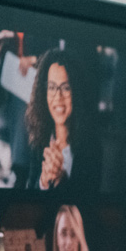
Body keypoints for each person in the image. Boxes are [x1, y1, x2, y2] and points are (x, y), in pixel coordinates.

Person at [23, 48, 86, 191]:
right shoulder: (37, 142)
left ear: (75, 91)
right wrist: (43, 181)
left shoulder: (91, 146)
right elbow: (29, 193)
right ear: (43, 92)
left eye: (65, 88)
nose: (58, 97)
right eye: (51, 87)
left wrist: (61, 179)